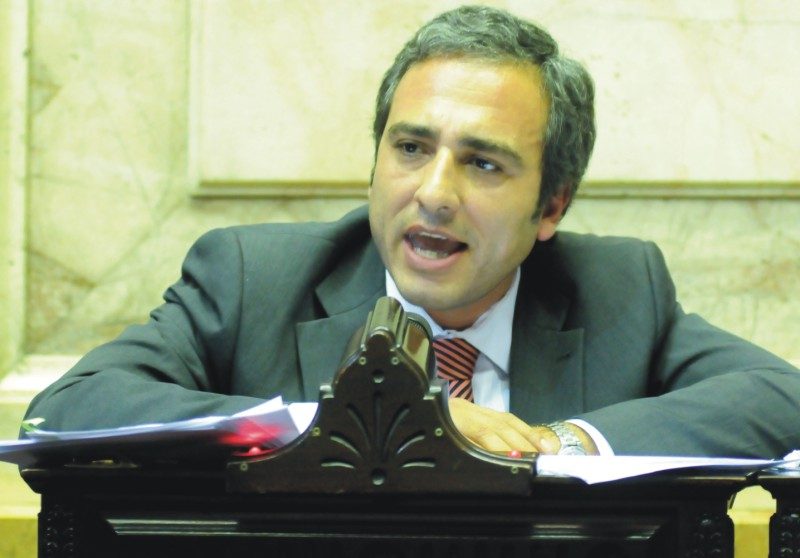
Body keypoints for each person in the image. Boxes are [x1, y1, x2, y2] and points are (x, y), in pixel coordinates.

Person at [23, 5, 800, 458]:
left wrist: (558, 444)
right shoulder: (252, 280)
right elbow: (71, 407)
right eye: (411, 149)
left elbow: (779, 397)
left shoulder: (620, 291)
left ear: (552, 207)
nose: (432, 194)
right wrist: (357, 424)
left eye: (483, 164)